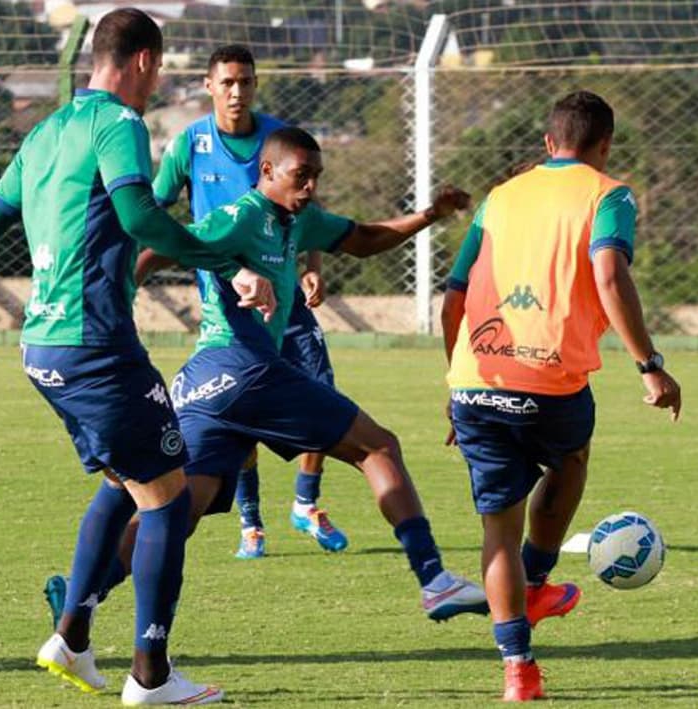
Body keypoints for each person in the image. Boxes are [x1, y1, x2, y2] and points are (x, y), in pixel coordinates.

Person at [0, 9, 277, 706]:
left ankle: (73, 636)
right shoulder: (118, 126)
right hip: (96, 348)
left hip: (42, 345)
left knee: (126, 480)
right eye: (162, 65)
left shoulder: (48, 131)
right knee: (171, 499)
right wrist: (226, 259)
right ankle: (150, 675)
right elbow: (142, 218)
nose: (160, 78)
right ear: (144, 60)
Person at [170, 126, 488, 622]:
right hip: (246, 368)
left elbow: (363, 239)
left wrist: (431, 214)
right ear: (268, 172)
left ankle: (84, 602)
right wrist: (119, 296)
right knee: (379, 446)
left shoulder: (299, 221)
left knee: (182, 506)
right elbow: (168, 244)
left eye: (317, 177)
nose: (311, 187)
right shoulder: (243, 217)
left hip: (206, 380)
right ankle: (435, 580)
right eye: (302, 176)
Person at [440, 90, 682, 701]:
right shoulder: (609, 193)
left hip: (476, 380)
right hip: (551, 381)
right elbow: (608, 273)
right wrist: (649, 364)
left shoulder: (500, 197)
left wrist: (456, 382)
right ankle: (539, 577)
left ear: (548, 144)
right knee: (570, 458)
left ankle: (518, 671)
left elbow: (453, 297)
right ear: (604, 146)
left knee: (497, 531)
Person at [147, 44, 347, 558]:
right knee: (242, 404)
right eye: (228, 82)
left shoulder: (278, 136)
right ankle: (251, 522)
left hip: (284, 289)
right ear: (209, 86)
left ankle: (305, 503)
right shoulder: (189, 143)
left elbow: (309, 207)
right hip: (230, 302)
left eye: (247, 82)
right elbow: (153, 211)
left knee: (321, 393)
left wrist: (312, 266)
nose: (238, 92)